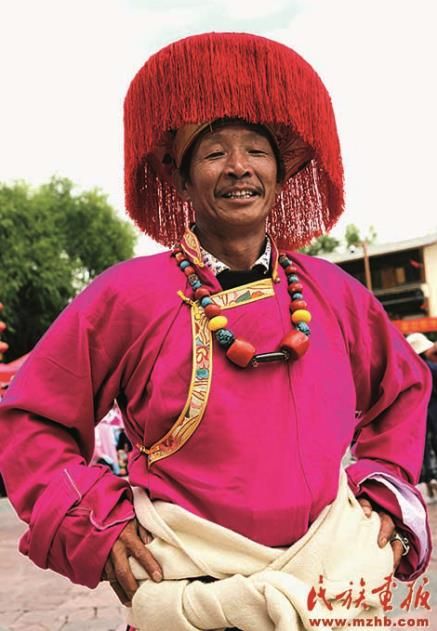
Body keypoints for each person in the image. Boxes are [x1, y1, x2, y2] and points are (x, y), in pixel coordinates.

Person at [0, 33, 432, 630]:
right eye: (213, 153)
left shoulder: (335, 293)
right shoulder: (127, 296)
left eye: (256, 150)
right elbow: (32, 418)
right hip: (189, 587)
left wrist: (383, 491)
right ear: (181, 182)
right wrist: (94, 522)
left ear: (280, 174)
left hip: (331, 582)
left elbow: (405, 388)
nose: (238, 168)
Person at [406, 333, 437, 498]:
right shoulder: (431, 367)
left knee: (422, 444)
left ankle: (427, 477)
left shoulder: (407, 369)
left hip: (415, 411)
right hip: (433, 408)